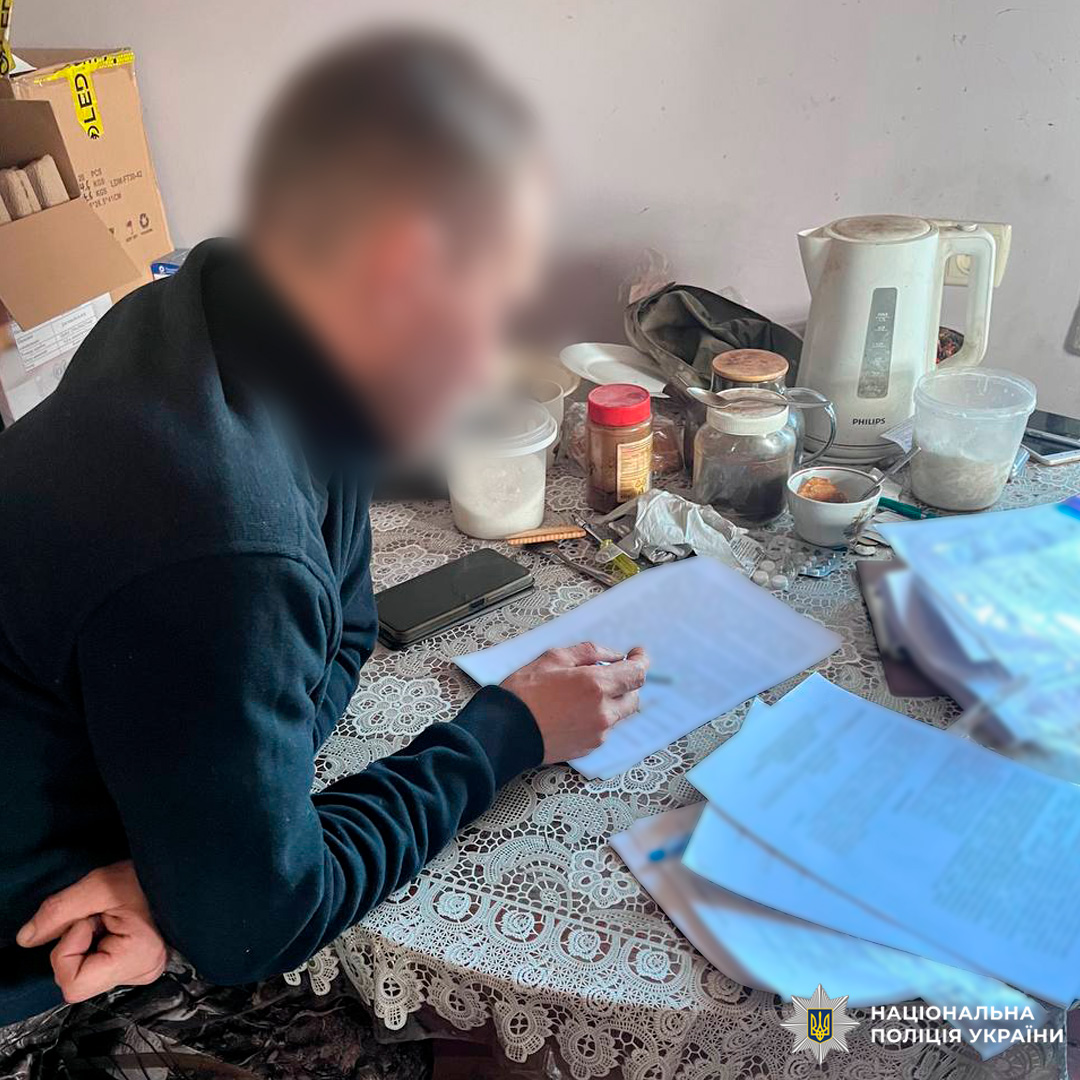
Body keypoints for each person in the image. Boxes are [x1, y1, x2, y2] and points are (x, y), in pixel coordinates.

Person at [0, 30, 648, 1078]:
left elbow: (341, 629)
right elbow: (257, 928)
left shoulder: (215, 309)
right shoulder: (223, 541)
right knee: (383, 1048)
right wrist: (508, 731)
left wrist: (191, 864)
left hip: (98, 844)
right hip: (41, 964)